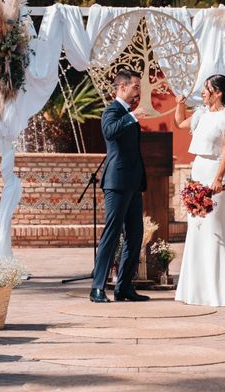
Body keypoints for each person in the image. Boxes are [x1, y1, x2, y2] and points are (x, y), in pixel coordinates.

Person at [173, 74, 225, 306]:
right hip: (198, 171)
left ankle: (219, 292)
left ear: (218, 92)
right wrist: (179, 104)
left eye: (207, 89)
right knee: (196, 229)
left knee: (215, 229)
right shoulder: (201, 115)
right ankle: (195, 291)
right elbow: (179, 123)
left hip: (216, 174)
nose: (203, 92)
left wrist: (218, 178)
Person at [90, 69, 150, 303]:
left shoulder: (127, 112)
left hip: (134, 183)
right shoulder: (112, 111)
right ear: (122, 87)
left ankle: (123, 287)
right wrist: (132, 118)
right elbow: (109, 131)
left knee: (135, 234)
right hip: (116, 182)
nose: (138, 91)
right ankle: (97, 287)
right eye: (135, 86)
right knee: (112, 233)